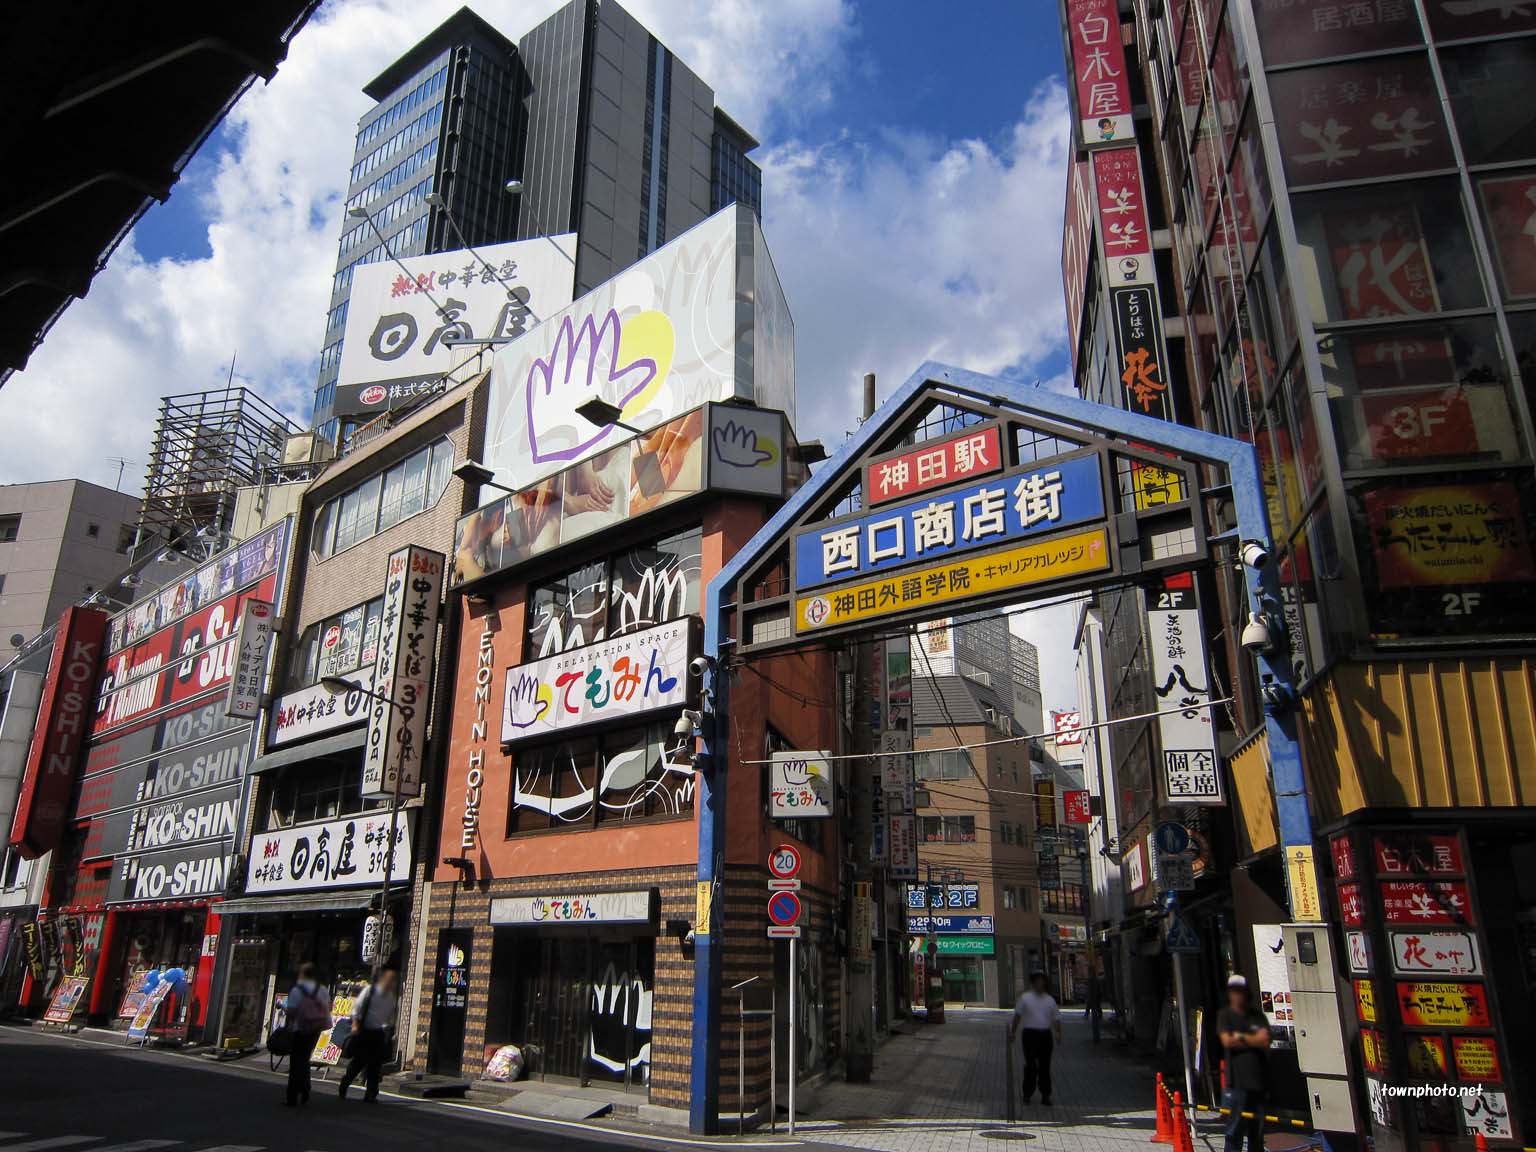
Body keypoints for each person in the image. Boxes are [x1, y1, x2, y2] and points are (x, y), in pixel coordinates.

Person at [1217, 973, 1271, 1152]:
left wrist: (1240, 1037)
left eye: (1240, 991)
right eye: (1234, 991)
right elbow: (1227, 1041)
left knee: (1257, 1133)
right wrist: (1252, 1038)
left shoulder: (1256, 1016)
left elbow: (1265, 1040)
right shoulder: (1225, 1016)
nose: (1237, 995)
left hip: (1259, 1083)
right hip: (1236, 1084)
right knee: (1234, 1132)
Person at [339, 969, 399, 1103]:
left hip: (378, 1033)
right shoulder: (370, 991)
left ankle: (371, 1094)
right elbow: (356, 1009)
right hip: (364, 1030)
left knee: (375, 1065)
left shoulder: (390, 997)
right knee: (359, 1062)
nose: (391, 984)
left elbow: (391, 1016)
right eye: (390, 981)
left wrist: (389, 1032)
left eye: (393, 982)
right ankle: (345, 1082)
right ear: (383, 980)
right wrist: (355, 1025)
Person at [1009, 970, 1063, 1106]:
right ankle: (1027, 1093)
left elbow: (1056, 1018)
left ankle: (1046, 1095)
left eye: (1042, 981)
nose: (1040, 984)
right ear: (1033, 983)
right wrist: (1012, 1032)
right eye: (1037, 981)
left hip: (1045, 1035)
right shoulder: (1025, 998)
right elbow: (1017, 1016)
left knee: (1045, 1066)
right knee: (1031, 1065)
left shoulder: (1050, 1000)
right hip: (1029, 1035)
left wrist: (1058, 1033)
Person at [283, 962, 333, 1106]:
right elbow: (327, 1007)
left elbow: (292, 1011)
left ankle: (292, 1097)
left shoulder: (297, 990)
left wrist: (284, 1010)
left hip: (301, 1029)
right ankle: (305, 1089)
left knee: (296, 1062)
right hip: (316, 1029)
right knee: (304, 1059)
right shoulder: (322, 989)